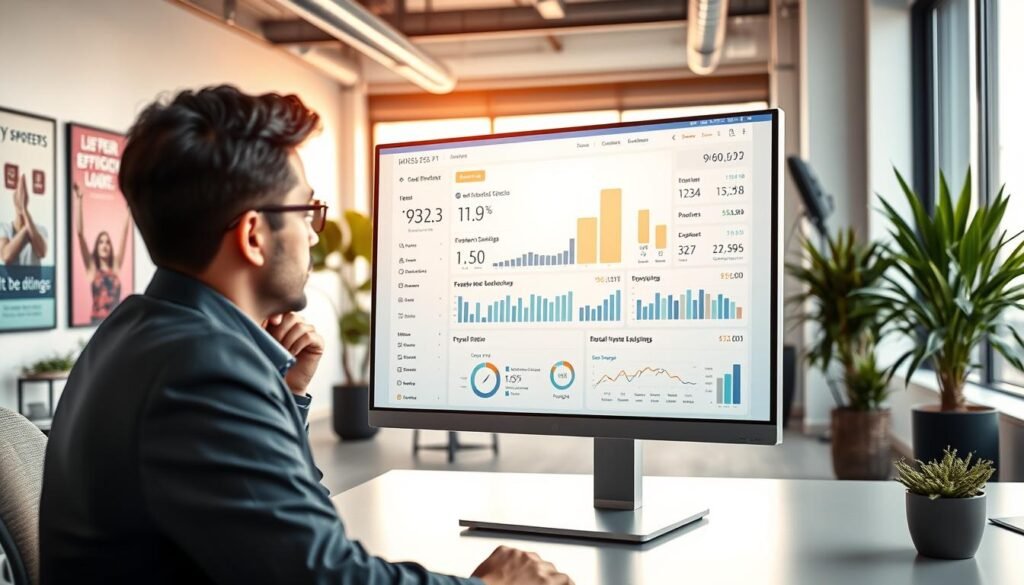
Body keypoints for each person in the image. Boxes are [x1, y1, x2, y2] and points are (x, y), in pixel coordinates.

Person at [39, 85, 571, 585]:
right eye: (307, 212)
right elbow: (323, 576)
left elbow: (287, 526)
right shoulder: (201, 368)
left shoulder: (137, 329)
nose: (315, 233)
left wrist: (286, 393)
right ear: (253, 235)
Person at [73, 182, 131, 323]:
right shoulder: (92, 269)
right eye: (101, 242)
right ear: (96, 247)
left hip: (116, 322)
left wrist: (130, 209)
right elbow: (80, 234)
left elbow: (124, 233)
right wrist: (79, 199)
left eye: (107, 242)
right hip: (96, 322)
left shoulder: (116, 267)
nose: (104, 245)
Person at [0, 173, 48, 265]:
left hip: (33, 279)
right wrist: (26, 229)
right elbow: (6, 256)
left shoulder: (40, 229)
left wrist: (24, 209)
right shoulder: (3, 228)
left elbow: (42, 252)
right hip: (13, 280)